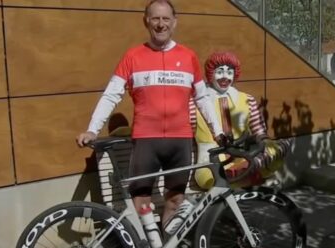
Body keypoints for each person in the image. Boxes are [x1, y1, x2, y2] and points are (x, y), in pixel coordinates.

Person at [76, 0, 225, 226]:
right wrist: (92, 129)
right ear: (146, 21)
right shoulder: (133, 56)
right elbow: (111, 95)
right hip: (146, 141)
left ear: (174, 22)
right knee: (141, 202)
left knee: (175, 199)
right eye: (155, 18)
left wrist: (219, 132)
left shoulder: (188, 56)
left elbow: (202, 98)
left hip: (180, 140)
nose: (160, 24)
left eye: (166, 19)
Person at [193, 51, 292, 189]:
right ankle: (248, 169)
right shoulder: (196, 104)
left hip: (242, 154)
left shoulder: (247, 99)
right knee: (211, 176)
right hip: (212, 163)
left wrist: (266, 146)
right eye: (220, 71)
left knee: (278, 146)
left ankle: (249, 166)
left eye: (229, 72)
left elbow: (260, 133)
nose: (225, 77)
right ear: (211, 73)